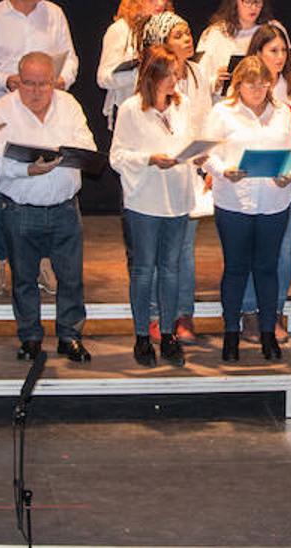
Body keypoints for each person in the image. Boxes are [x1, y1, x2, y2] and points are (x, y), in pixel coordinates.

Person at [0, 0, 78, 298]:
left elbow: (71, 58)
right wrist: (9, 80)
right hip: (10, 114)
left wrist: (62, 79)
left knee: (50, 182)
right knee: (2, 190)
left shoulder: (55, 14)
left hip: (48, 111)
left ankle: (43, 262)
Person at [0, 52, 95, 363]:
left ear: (54, 81)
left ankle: (69, 336)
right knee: (24, 278)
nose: (35, 91)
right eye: (28, 84)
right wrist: (27, 170)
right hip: (21, 209)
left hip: (64, 208)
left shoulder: (69, 106)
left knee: (71, 277)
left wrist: (71, 155)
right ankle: (30, 337)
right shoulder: (4, 108)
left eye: (43, 84)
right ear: (18, 81)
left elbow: (87, 145)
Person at [204, 57, 291, 362]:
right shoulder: (222, 112)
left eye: (263, 83)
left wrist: (290, 175)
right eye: (250, 83)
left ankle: (268, 333)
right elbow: (204, 152)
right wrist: (222, 170)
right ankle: (231, 332)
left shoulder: (282, 112)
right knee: (235, 267)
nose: (257, 89)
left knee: (267, 267)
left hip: (273, 200)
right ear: (238, 85)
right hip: (233, 200)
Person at [110, 46, 199, 368]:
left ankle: (168, 333)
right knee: (145, 268)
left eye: (177, 74)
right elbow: (117, 156)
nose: (176, 80)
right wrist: (149, 158)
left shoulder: (183, 105)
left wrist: (197, 155)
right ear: (153, 76)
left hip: (176, 197)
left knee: (171, 268)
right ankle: (141, 336)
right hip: (145, 199)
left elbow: (188, 142)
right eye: (170, 74)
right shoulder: (132, 109)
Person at [141, 11, 212, 344]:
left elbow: (206, 120)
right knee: (157, 252)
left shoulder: (198, 73)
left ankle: (183, 313)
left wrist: (206, 162)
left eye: (188, 32)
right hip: (157, 175)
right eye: (179, 35)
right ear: (162, 43)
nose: (188, 39)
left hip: (189, 171)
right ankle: (156, 315)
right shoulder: (148, 77)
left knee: (184, 249)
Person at [237, 23, 291, 342]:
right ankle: (250, 313)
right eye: (272, 51)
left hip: (286, 179)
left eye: (283, 51)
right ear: (257, 52)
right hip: (252, 181)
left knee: (281, 250)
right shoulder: (244, 85)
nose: (280, 57)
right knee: (252, 248)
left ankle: (274, 310)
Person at [95, 0, 171, 129]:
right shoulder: (120, 30)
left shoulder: (167, 29)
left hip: (161, 112)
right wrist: (138, 72)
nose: (160, 3)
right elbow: (103, 78)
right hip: (130, 115)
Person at [197, 0, 280, 99]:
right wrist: (216, 81)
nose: (254, 7)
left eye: (258, 2)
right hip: (225, 105)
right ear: (234, 1)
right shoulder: (215, 34)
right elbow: (197, 80)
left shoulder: (271, 30)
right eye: (247, 1)